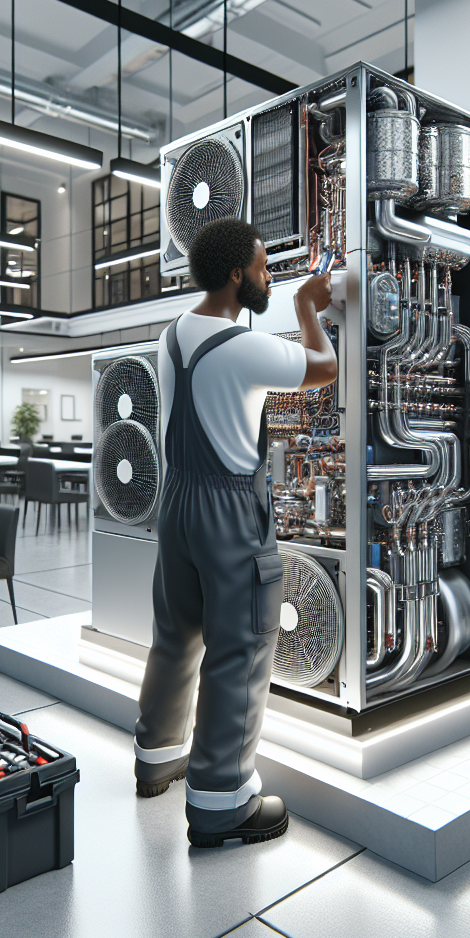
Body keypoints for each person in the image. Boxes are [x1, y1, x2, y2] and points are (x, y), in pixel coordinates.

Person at [132, 216, 337, 848]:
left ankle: (157, 757)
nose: (269, 277)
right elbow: (324, 367)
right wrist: (309, 307)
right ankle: (222, 801)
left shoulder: (169, 339)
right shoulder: (245, 347)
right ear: (235, 275)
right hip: (229, 514)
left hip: (177, 505)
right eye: (264, 268)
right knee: (242, 647)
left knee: (176, 636)